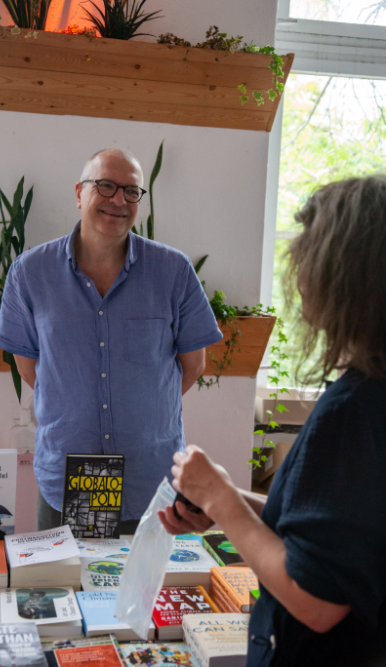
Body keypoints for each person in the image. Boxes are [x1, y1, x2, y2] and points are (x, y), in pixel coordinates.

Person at [159, 175, 386, 667]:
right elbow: (333, 533)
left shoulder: (356, 408)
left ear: (345, 275)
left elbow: (320, 601)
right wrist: (227, 500)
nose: (297, 270)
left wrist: (221, 498)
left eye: (307, 254)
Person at [0, 148, 222, 534]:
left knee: (145, 590)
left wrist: (143, 409)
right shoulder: (30, 273)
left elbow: (193, 365)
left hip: (149, 476)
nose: (119, 200)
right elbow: (30, 367)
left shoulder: (173, 271)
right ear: (79, 193)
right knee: (72, 588)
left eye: (132, 191)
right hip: (70, 476)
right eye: (106, 186)